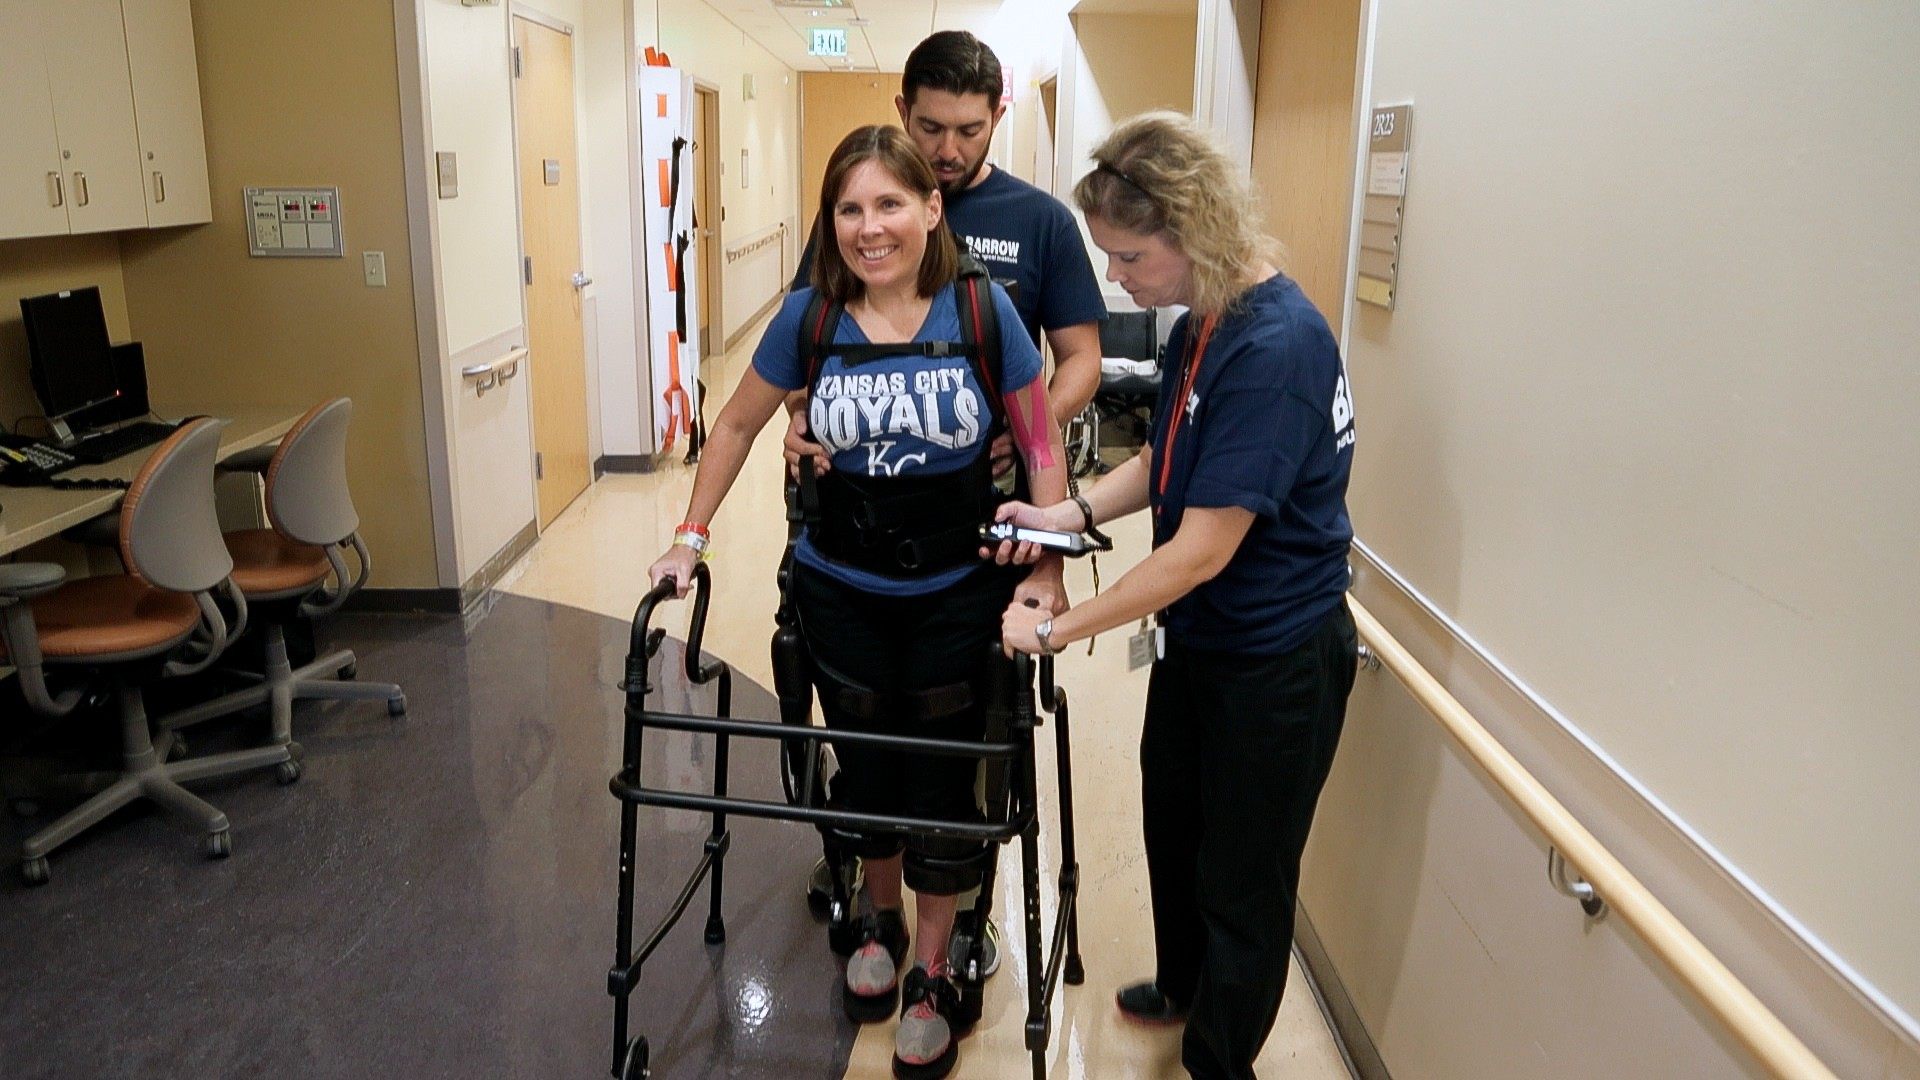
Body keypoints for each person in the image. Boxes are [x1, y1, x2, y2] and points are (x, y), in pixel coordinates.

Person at [649, 125, 1067, 1080]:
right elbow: (739, 423)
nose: (869, 228)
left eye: (889, 205)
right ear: (829, 220)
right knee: (868, 768)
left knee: (943, 780)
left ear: (930, 209)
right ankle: (874, 925)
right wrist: (692, 534)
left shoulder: (982, 308)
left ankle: (931, 968)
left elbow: (1040, 443)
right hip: (842, 590)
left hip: (958, 591)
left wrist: (1044, 568)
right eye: (849, 208)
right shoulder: (811, 315)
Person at [995, 112, 1360, 1080]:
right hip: (1205, 641)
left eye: (1128, 257)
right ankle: (1185, 985)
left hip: (1276, 658)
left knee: (1245, 875)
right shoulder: (1203, 320)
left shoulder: (1277, 346)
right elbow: (1167, 462)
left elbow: (1199, 549)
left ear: (1191, 236)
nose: (1117, 279)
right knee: (1176, 823)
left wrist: (1059, 625)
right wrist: (1062, 516)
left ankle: (1218, 1059)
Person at [784, 28, 1107, 977]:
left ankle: (961, 917)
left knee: (965, 737)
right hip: (858, 519)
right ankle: (875, 887)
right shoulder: (863, 205)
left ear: (999, 115)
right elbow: (814, 335)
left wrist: (1024, 416)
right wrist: (804, 416)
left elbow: (1080, 356)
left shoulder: (1039, 222)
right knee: (869, 714)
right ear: (902, 115)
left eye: (968, 129)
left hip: (991, 519)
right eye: (931, 126)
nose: (948, 148)